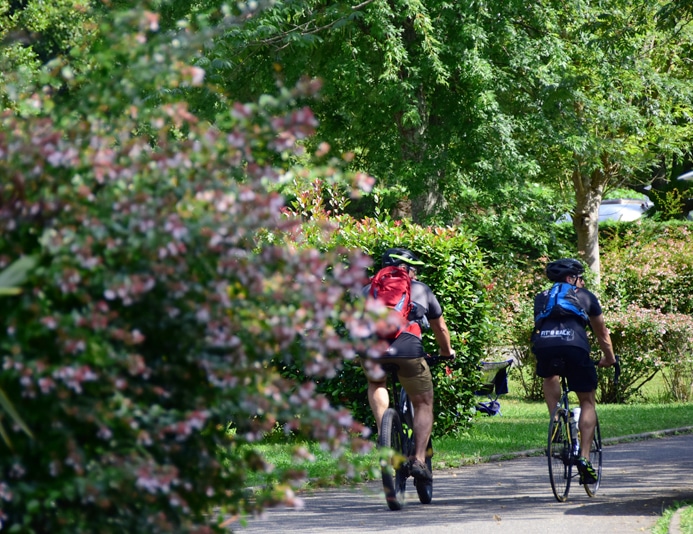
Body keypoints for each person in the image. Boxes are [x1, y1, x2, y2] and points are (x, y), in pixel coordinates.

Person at [362, 248, 455, 482]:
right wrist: (446, 352)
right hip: (408, 349)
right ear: (409, 270)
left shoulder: (367, 290)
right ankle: (419, 460)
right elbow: (440, 328)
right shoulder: (421, 289)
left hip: (373, 349)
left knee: (376, 382)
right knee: (423, 402)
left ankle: (386, 434)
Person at [531, 258, 616, 484]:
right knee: (587, 402)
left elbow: (540, 325)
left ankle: (556, 419)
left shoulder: (541, 298)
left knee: (549, 375)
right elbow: (602, 334)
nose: (582, 281)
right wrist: (610, 358)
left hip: (545, 345)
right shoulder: (585, 296)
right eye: (579, 277)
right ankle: (585, 458)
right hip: (576, 346)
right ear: (572, 278)